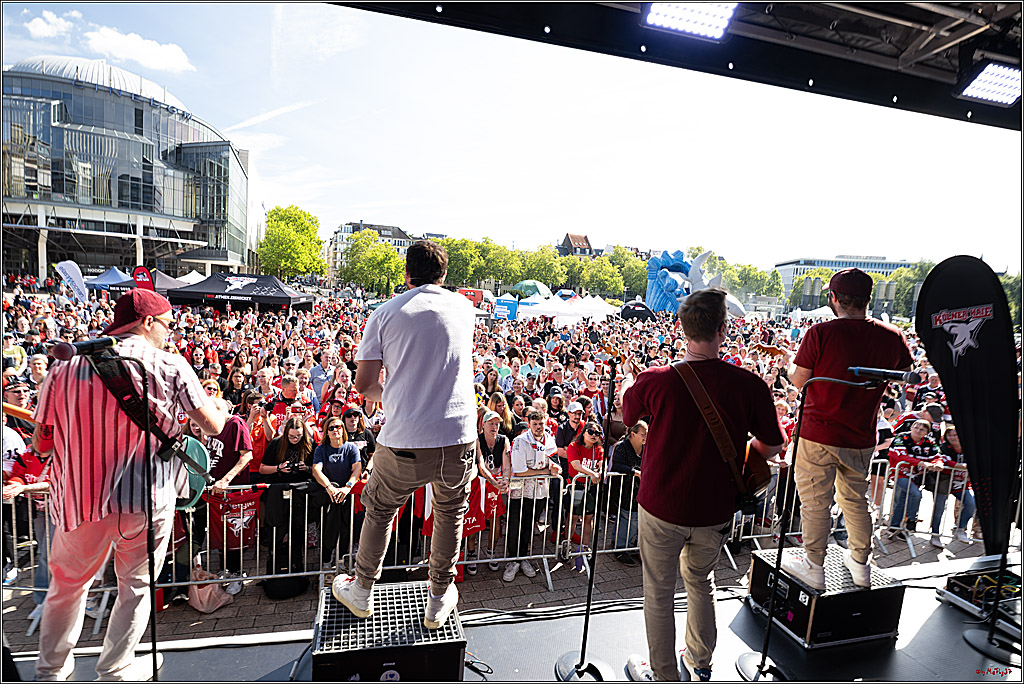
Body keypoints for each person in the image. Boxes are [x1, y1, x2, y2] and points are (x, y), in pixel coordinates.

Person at [32, 288, 225, 682]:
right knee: (135, 587)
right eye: (168, 326)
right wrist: (214, 408)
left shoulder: (63, 368)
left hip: (79, 498)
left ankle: (51, 673)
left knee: (67, 587)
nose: (171, 334)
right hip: (145, 501)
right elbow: (213, 426)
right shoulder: (171, 365)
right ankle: (115, 670)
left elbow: (40, 442)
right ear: (147, 322)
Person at [622, 288, 783, 682]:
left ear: (681, 328)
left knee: (658, 592)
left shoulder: (655, 379)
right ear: (722, 329)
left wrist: (631, 382)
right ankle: (701, 661)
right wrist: (746, 447)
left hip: (661, 504)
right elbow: (773, 445)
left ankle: (663, 675)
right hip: (714, 509)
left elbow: (629, 415)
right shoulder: (749, 385)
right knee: (701, 582)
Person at [333, 240, 477, 631]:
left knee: (380, 509)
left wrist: (391, 399)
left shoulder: (385, 313)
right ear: (444, 275)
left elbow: (363, 382)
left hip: (405, 437)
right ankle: (438, 598)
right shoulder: (467, 310)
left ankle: (361, 589)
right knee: (450, 513)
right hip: (458, 434)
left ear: (406, 274)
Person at [782, 269, 913, 592]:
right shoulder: (892, 335)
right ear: (868, 299)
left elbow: (799, 382)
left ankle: (814, 565)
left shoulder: (821, 333)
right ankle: (861, 564)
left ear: (834, 298)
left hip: (817, 434)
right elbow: (904, 373)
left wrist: (788, 365)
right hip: (860, 435)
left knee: (815, 502)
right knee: (856, 500)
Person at [505, 408, 560, 582]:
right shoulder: (520, 441)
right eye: (535, 424)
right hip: (519, 491)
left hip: (539, 491)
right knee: (515, 524)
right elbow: (520, 471)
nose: (538, 427)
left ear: (546, 423)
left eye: (541, 424)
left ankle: (523, 558)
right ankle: (512, 560)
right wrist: (545, 470)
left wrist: (554, 468)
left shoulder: (549, 439)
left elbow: (555, 464)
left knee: (529, 525)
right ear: (529, 424)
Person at [311, 417, 362, 566]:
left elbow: (357, 468)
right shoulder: (321, 449)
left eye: (339, 427)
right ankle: (326, 560)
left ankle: (342, 559)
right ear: (326, 432)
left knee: (346, 529)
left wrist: (347, 487)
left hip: (347, 495)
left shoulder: (351, 448)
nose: (335, 430)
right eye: (331, 428)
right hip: (329, 497)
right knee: (328, 528)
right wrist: (329, 487)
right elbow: (316, 470)